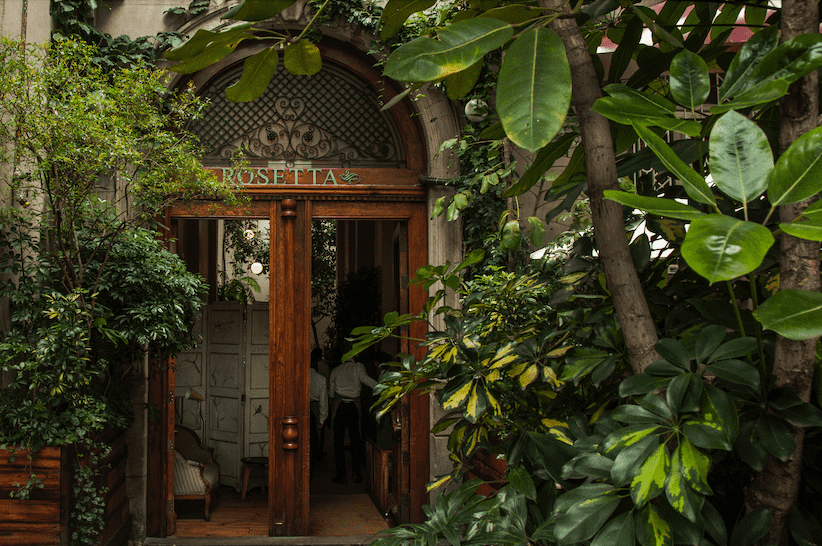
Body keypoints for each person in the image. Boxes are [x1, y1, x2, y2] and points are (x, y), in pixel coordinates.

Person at [328, 349, 376, 484]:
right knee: (356, 440)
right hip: (354, 407)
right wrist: (382, 388)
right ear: (354, 357)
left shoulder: (336, 370)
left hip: (339, 407)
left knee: (338, 441)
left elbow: (331, 394)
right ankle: (356, 473)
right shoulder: (359, 367)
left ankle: (341, 475)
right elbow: (367, 380)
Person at [309, 348, 328, 467]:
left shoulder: (301, 376)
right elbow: (323, 401)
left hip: (304, 406)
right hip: (316, 407)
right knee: (318, 433)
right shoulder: (321, 378)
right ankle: (317, 455)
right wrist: (322, 419)